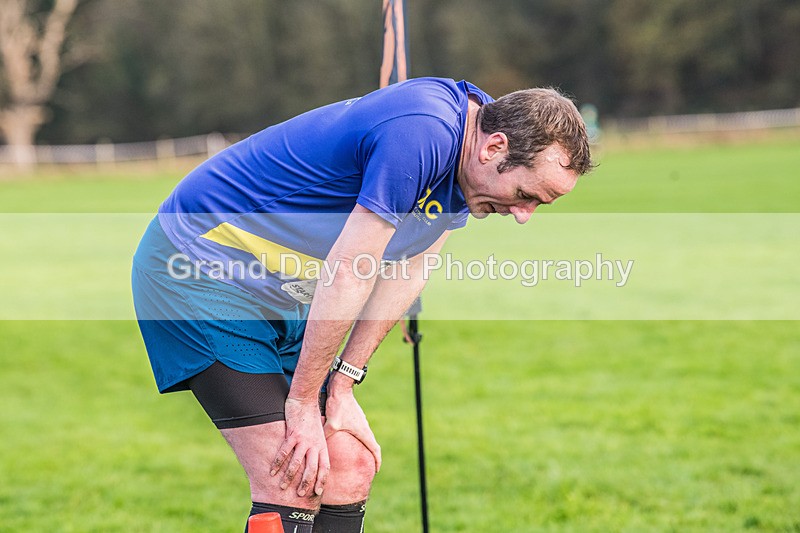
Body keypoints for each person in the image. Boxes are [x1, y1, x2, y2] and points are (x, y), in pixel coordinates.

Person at [131, 77, 592, 533]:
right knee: (293, 478)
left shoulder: (479, 150)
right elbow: (352, 269)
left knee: (348, 465)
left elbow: (409, 268)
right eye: (527, 195)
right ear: (494, 148)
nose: (524, 214)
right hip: (200, 268)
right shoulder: (421, 131)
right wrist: (305, 402)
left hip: (285, 287)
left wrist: (345, 383)